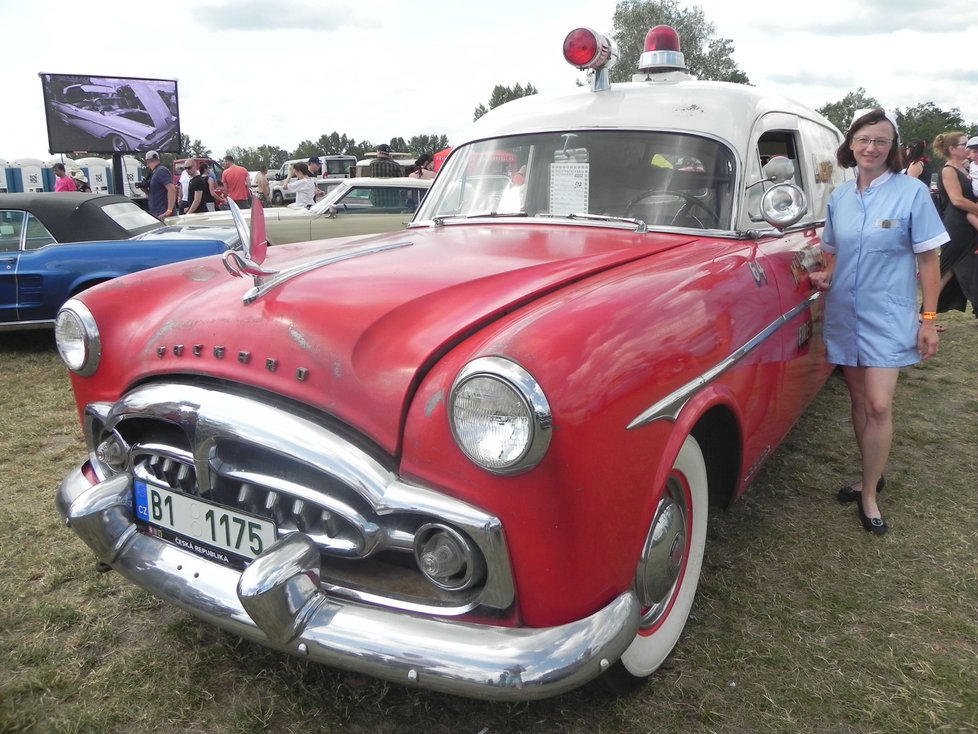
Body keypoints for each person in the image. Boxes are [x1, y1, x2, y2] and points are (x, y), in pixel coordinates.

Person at [809, 108, 947, 536]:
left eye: (881, 141)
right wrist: (826, 272)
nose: (871, 147)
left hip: (888, 315)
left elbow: (928, 259)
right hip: (845, 315)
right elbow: (832, 249)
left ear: (893, 148)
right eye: (864, 139)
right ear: (851, 143)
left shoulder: (911, 193)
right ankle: (870, 473)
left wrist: (927, 318)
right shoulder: (840, 198)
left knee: (879, 404)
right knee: (857, 402)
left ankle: (869, 494)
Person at [933, 131, 978, 320]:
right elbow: (957, 200)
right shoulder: (948, 170)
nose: (967, 148)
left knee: (964, 269)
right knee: (946, 270)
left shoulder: (964, 169)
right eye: (963, 144)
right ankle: (925, 316)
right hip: (957, 226)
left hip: (966, 225)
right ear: (952, 149)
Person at [144, 150, 176, 218]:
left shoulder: (161, 171)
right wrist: (145, 190)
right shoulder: (155, 172)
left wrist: (169, 211)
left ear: (147, 162)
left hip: (163, 213)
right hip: (157, 212)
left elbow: (171, 189)